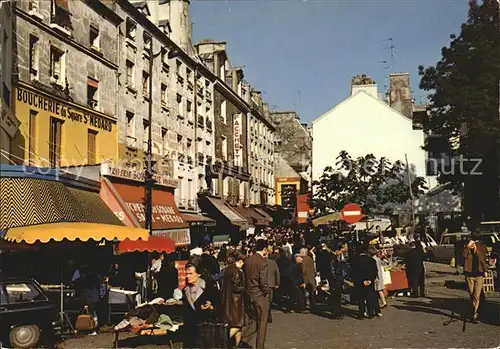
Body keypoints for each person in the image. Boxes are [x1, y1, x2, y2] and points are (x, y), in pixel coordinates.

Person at [182, 257, 218, 348]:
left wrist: (210, 306)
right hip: (190, 334)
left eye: (190, 273)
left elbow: (218, 307)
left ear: (199, 274)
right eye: (186, 274)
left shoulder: (209, 288)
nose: (187, 276)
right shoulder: (185, 291)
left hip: (205, 332)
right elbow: (185, 312)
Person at [244, 239, 271, 349]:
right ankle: (260, 347)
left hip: (250, 294)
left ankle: (242, 340)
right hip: (260, 295)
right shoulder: (262, 262)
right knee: (262, 324)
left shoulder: (248, 260)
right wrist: (267, 292)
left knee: (254, 321)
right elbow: (263, 281)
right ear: (264, 249)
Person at [221, 250, 246, 347]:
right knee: (237, 325)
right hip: (236, 302)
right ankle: (222, 342)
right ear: (238, 261)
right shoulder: (236, 271)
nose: (243, 264)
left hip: (229, 300)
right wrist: (245, 288)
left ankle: (236, 345)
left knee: (238, 326)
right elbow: (236, 287)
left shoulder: (228, 269)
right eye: (242, 261)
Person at [462, 232, 488, 323]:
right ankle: (472, 311)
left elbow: (482, 259)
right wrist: (467, 247)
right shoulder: (467, 246)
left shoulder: (482, 246)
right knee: (472, 294)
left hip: (479, 274)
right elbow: (464, 256)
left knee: (476, 296)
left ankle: (474, 315)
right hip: (469, 274)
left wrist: (476, 250)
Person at [351, 246, 378, 319]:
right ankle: (371, 313)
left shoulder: (355, 261)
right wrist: (370, 280)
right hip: (370, 281)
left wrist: (360, 281)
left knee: (361, 299)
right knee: (370, 297)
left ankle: (361, 313)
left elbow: (353, 273)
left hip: (359, 282)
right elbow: (375, 271)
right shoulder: (371, 260)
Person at [328, 243, 346, 319]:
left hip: (336, 280)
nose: (341, 252)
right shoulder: (333, 258)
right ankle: (335, 313)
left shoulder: (334, 258)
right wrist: (337, 279)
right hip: (335, 281)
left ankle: (337, 312)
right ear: (337, 250)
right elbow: (332, 271)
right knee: (336, 297)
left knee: (337, 297)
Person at [266, 247, 280, 322]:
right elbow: (277, 273)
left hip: (262, 284)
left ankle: (265, 314)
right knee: (269, 300)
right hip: (271, 284)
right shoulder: (273, 262)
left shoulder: (259, 262)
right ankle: (268, 314)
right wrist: (277, 283)